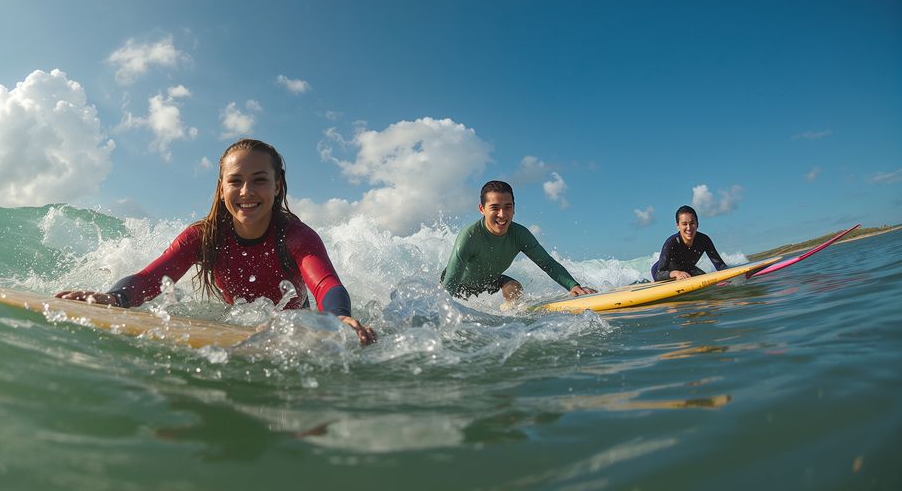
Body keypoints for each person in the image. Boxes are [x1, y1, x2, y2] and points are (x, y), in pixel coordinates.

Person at [56, 138, 376, 345]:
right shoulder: (203, 237)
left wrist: (337, 318)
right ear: (221, 187)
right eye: (235, 181)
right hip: (236, 320)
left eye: (259, 181)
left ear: (278, 186)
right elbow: (153, 277)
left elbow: (326, 285)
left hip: (294, 322)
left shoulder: (295, 236)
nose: (246, 192)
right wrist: (115, 298)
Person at [441, 180, 595, 303]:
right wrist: (445, 305)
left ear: (514, 208)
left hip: (488, 283)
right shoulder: (470, 236)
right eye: (494, 207)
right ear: (482, 209)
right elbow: (451, 278)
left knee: (514, 289)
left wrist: (574, 286)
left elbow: (547, 263)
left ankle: (505, 318)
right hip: (458, 284)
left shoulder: (519, 234)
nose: (502, 214)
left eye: (507, 207)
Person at [650, 205, 728, 281]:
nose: (689, 228)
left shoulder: (704, 240)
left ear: (697, 224)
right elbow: (659, 274)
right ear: (678, 226)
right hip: (665, 274)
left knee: (707, 280)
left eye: (692, 223)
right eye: (684, 224)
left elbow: (720, 266)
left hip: (687, 271)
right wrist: (675, 273)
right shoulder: (671, 243)